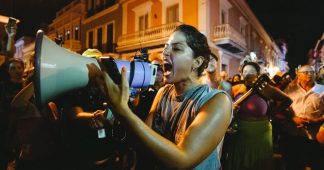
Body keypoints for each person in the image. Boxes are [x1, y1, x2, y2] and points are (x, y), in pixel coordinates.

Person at [89, 24, 232, 169]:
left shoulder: (218, 101)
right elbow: (143, 142)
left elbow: (182, 160)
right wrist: (115, 121)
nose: (166, 52)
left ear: (197, 62)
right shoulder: (163, 93)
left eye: (176, 48)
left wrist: (123, 111)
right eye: (166, 47)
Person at [224, 62, 292, 170]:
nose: (248, 74)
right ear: (241, 74)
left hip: (261, 133)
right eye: (245, 71)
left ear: (258, 74)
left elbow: (287, 100)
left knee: (258, 163)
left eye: (252, 71)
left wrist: (273, 113)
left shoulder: (266, 88)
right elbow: (225, 106)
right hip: (240, 132)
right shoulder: (235, 89)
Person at [281, 64, 324, 170]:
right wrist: (293, 118)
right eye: (305, 72)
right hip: (292, 133)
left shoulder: (322, 90)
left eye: (311, 72)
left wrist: (316, 121)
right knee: (292, 164)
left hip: (313, 136)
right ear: (298, 75)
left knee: (314, 164)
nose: (309, 74)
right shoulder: (290, 89)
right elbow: (282, 108)